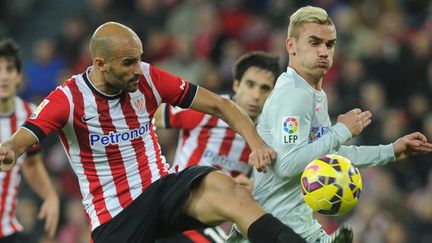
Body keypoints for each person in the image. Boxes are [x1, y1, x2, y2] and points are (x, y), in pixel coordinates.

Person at [0, 22, 305, 243]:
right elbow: (27, 134)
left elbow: (220, 106)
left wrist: (256, 143)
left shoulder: (148, 77)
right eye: (128, 62)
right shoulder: (68, 98)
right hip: (115, 217)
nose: (138, 68)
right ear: (100, 64)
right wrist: (11, 148)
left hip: (160, 189)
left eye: (140, 57)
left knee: (233, 194)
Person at [227, 5, 432, 243]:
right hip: (272, 230)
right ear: (291, 46)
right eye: (314, 43)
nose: (324, 51)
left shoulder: (312, 93)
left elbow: (328, 155)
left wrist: (389, 151)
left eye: (330, 44)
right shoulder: (293, 95)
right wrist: (342, 130)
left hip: (291, 228)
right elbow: (288, 163)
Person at [155, 51, 280, 243]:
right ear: (236, 84)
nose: (255, 95)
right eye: (250, 85)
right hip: (178, 208)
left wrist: (255, 187)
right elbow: (149, 118)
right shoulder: (207, 109)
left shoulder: (270, 135)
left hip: (216, 222)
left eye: (265, 88)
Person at [0, 39, 59, 241]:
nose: (4, 76)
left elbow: (32, 164)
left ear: (19, 78)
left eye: (10, 70)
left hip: (6, 230)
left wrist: (50, 196)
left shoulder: (30, 114)